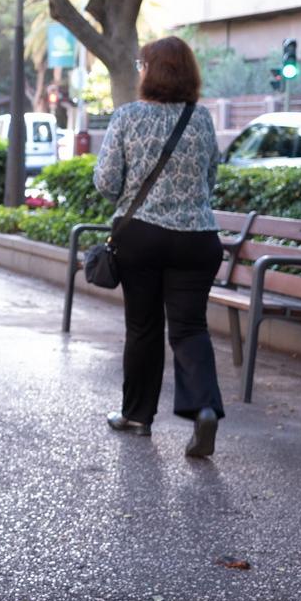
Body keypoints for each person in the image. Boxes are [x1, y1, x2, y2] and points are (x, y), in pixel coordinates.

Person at [93, 36, 224, 457]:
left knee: (144, 328)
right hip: (198, 239)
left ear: (150, 71)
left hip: (142, 238)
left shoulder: (129, 117)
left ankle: (136, 417)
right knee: (190, 328)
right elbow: (211, 180)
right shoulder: (200, 119)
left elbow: (106, 182)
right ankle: (204, 408)